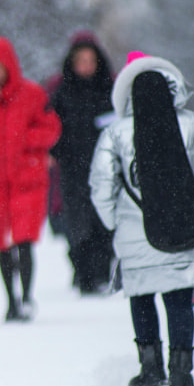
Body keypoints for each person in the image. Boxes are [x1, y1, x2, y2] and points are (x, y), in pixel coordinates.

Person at [89, 54, 194, 386]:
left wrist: (114, 223)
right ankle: (181, 374)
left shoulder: (116, 132)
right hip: (185, 227)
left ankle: (150, 370)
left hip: (135, 233)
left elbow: (101, 184)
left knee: (140, 296)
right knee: (179, 299)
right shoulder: (193, 124)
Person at [0, 36, 61, 322]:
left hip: (25, 177)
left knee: (24, 239)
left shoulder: (32, 94)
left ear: (9, 65)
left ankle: (27, 297)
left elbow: (51, 127)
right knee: (2, 243)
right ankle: (11, 301)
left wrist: (25, 142)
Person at [49, 31, 117, 295]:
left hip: (105, 166)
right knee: (78, 224)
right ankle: (83, 272)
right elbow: (52, 127)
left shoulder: (109, 89)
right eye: (81, 60)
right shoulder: (62, 92)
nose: (86, 66)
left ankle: (102, 272)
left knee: (104, 221)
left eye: (91, 60)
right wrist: (56, 151)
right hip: (73, 167)